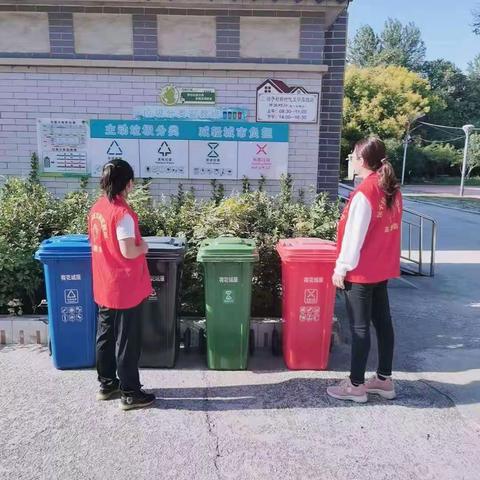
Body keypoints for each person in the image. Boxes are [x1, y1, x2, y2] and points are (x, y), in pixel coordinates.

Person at [327, 137, 402, 403]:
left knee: (359, 328)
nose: (351, 159)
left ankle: (356, 385)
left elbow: (353, 236)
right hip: (381, 269)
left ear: (362, 160)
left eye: (353, 155)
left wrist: (341, 268)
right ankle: (383, 380)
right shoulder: (390, 188)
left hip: (360, 271)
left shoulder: (365, 193)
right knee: (383, 324)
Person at [88, 159, 155, 411]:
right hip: (124, 285)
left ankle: (107, 384)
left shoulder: (97, 208)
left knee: (105, 333)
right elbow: (128, 251)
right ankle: (130, 392)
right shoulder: (122, 214)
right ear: (128, 184)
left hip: (105, 281)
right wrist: (144, 246)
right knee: (127, 338)